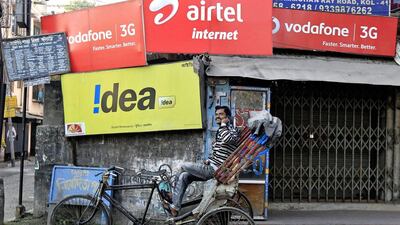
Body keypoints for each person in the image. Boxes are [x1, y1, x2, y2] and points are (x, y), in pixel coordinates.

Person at [163, 105, 239, 217]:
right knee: (184, 176)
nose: (218, 117)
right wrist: (209, 160)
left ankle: (172, 196)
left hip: (215, 169)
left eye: (221, 114)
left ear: (227, 116)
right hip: (213, 166)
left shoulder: (232, 129)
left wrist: (223, 124)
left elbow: (227, 139)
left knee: (183, 165)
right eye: (217, 114)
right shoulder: (224, 130)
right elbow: (221, 152)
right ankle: (175, 207)